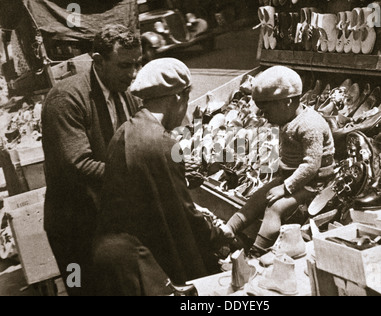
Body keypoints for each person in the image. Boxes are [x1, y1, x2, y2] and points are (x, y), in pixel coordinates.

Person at [92, 58, 223, 296]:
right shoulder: (165, 145)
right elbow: (182, 215)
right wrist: (218, 234)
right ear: (177, 98)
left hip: (113, 258)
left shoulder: (123, 132)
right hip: (142, 264)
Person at [41, 24, 142, 296]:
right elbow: (79, 165)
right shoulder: (66, 98)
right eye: (124, 65)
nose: (133, 74)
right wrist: (140, 174)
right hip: (74, 228)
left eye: (137, 64)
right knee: (85, 290)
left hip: (110, 221)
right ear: (98, 61)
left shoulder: (127, 94)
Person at [220, 66, 336, 257]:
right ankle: (229, 229)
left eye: (267, 110)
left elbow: (311, 165)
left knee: (275, 207)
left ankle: (257, 251)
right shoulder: (287, 118)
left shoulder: (309, 125)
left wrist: (285, 188)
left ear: (287, 102)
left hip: (315, 183)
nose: (263, 116)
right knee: (258, 197)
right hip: (291, 176)